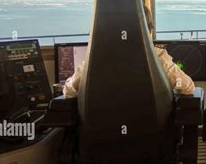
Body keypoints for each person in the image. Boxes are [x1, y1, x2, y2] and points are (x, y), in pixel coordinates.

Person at [63, 5, 195, 98]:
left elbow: (69, 91)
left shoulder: (96, 56)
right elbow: (187, 87)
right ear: (149, 30)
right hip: (152, 134)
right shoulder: (157, 56)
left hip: (102, 134)